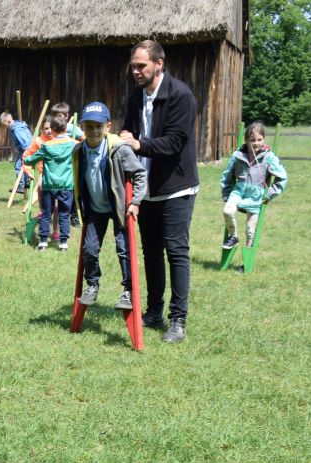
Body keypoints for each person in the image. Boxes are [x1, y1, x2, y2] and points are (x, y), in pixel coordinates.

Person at [119, 39, 199, 344]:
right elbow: (129, 132)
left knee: (176, 252)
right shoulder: (136, 97)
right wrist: (125, 140)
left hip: (176, 187)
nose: (136, 71)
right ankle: (154, 312)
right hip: (146, 189)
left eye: (141, 66)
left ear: (159, 64)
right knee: (151, 252)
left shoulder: (181, 95)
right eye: (133, 66)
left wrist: (138, 144)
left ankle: (178, 321)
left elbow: (175, 142)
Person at [72, 102, 148, 309]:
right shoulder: (79, 151)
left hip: (119, 208)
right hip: (95, 209)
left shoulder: (119, 149)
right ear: (81, 127)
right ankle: (92, 284)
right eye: (88, 126)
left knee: (124, 249)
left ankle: (128, 291)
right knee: (89, 249)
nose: (94, 131)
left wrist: (135, 202)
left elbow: (140, 174)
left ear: (108, 126)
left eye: (98, 126)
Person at [220, 121, 287, 250]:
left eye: (259, 139)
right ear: (246, 140)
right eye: (252, 140)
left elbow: (282, 177)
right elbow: (226, 175)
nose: (256, 143)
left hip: (256, 196)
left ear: (264, 139)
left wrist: (269, 194)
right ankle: (233, 237)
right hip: (238, 192)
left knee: (250, 231)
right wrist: (226, 194)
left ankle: (247, 255)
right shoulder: (238, 155)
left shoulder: (269, 157)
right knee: (227, 211)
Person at [23, 116, 76, 251]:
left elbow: (31, 159)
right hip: (66, 185)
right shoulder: (73, 144)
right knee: (64, 214)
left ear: (52, 130)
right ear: (65, 128)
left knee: (46, 213)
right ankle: (63, 243)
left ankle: (43, 242)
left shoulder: (46, 146)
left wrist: (27, 161)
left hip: (49, 185)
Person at [0, 111, 32, 194]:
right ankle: (26, 182)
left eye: (5, 125)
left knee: (18, 166)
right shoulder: (17, 126)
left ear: (8, 121)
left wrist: (25, 153)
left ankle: (20, 186)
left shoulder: (17, 129)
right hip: (27, 149)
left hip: (26, 150)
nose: (5, 127)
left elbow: (25, 142)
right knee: (23, 166)